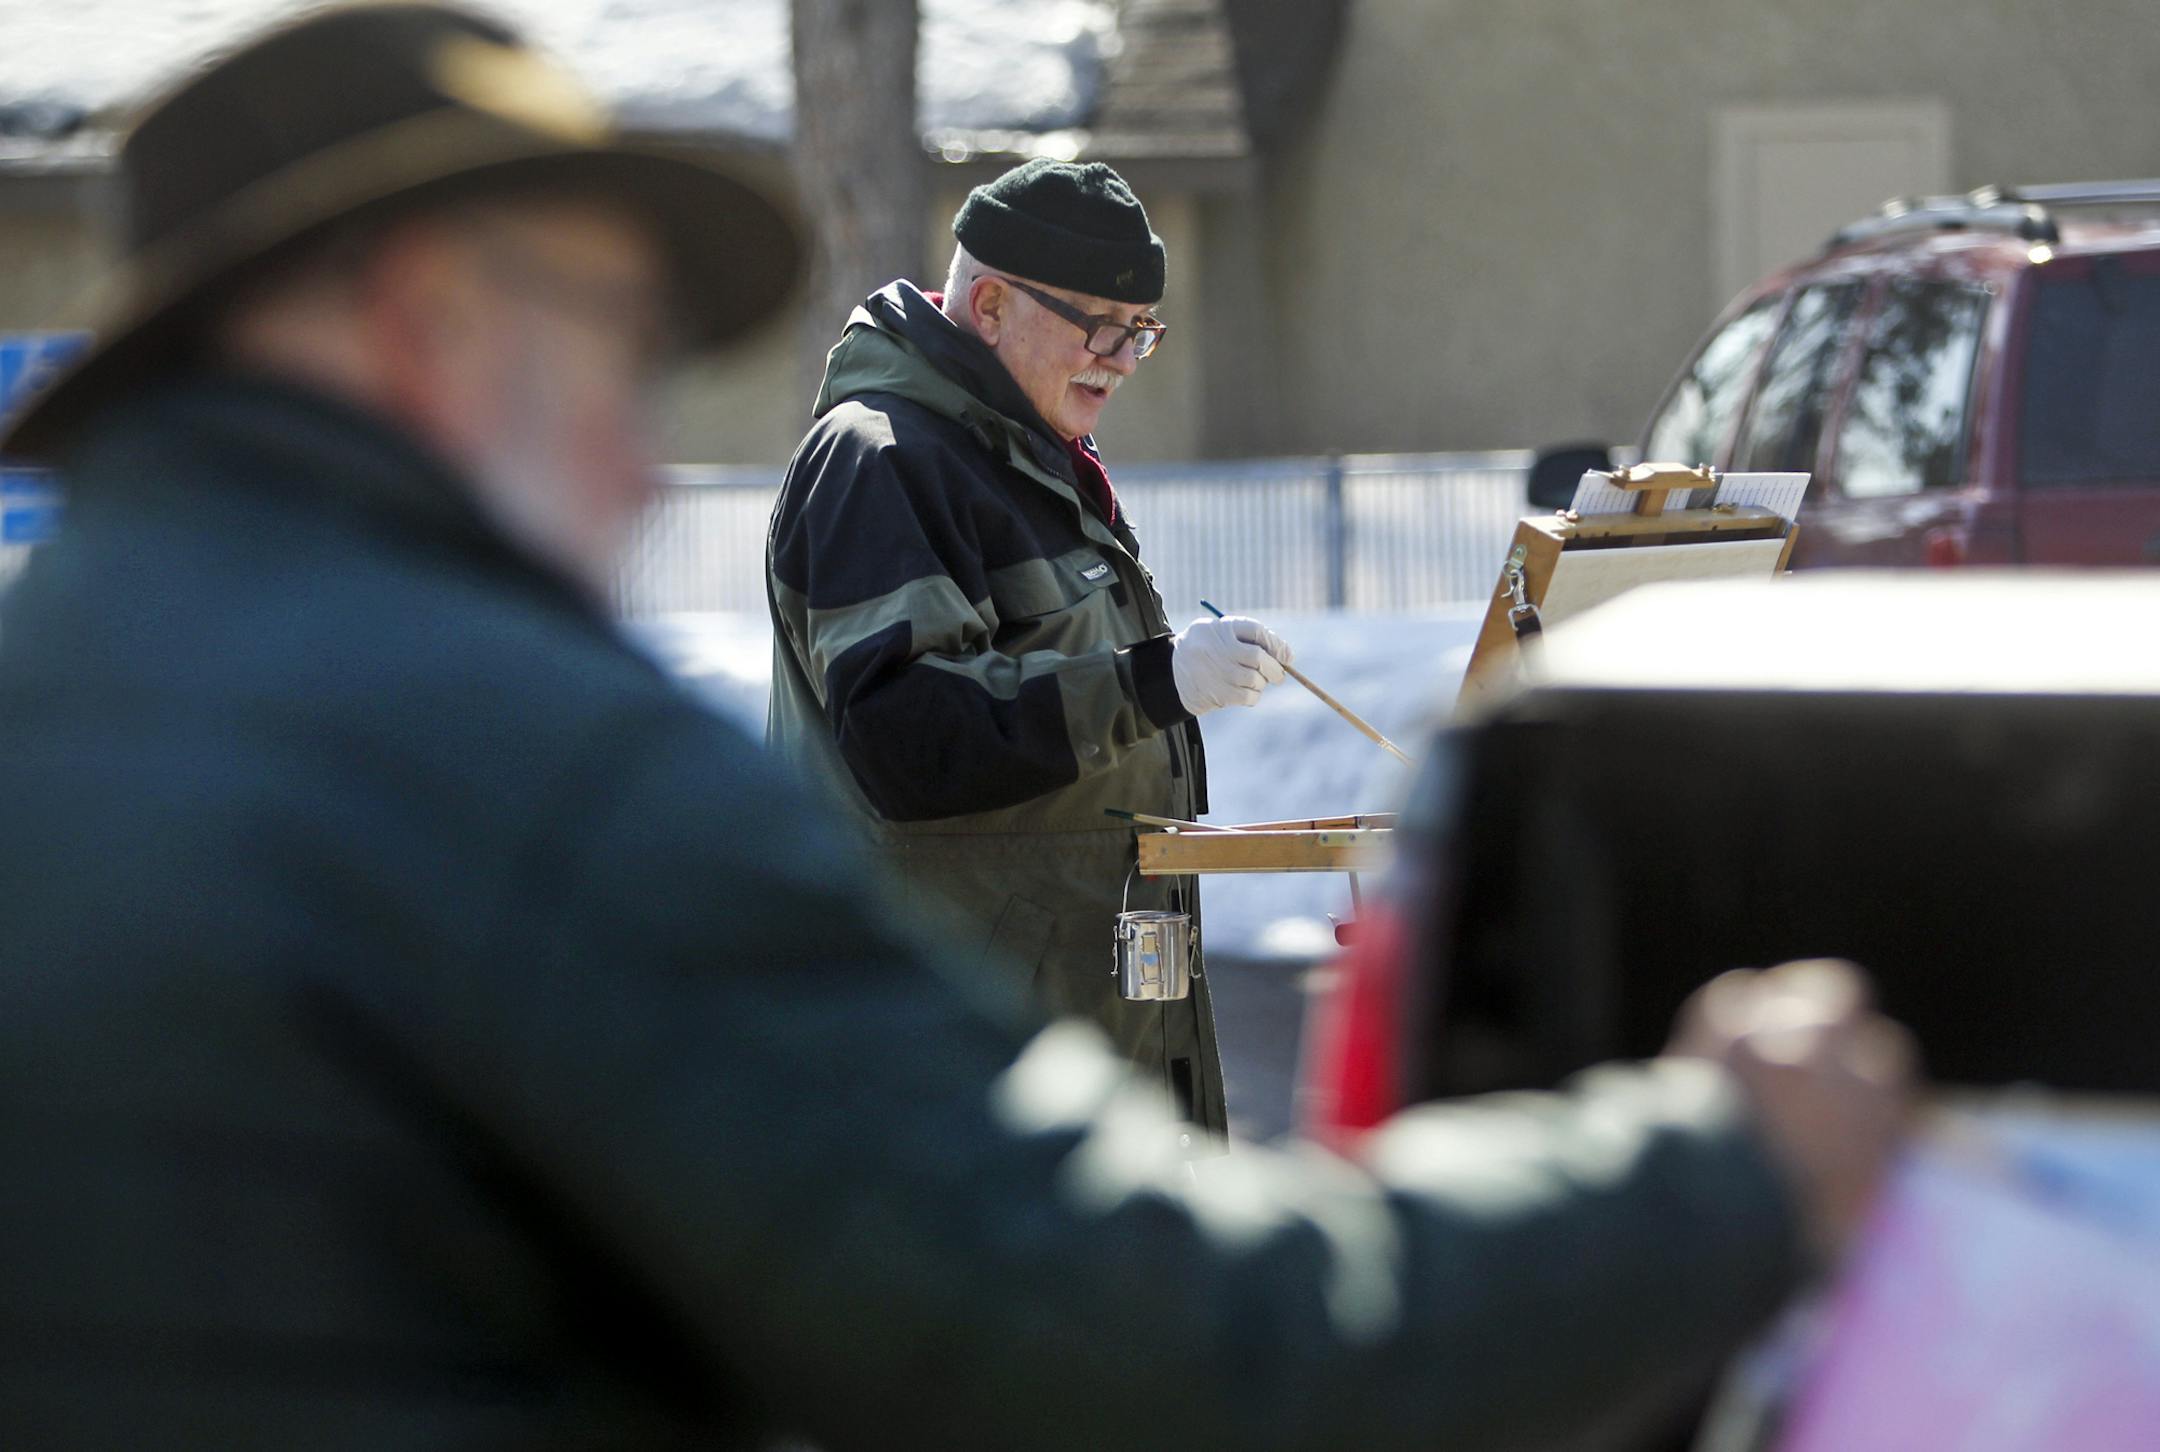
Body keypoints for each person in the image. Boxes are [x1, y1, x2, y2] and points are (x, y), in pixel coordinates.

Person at [0, 6, 1915, 1449]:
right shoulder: (512, 756)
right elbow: (1131, 1327)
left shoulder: (68, 689)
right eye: (612, 341)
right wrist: (1709, 1174)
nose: (635, 443)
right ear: (422, 321)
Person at [766, 159, 1296, 1140]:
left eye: (1141, 330)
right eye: (1101, 324)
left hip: (1091, 1033)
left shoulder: (1026, 460)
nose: (1125, 358)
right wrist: (1152, 681)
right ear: (993, 303)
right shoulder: (880, 458)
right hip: (967, 1063)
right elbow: (904, 736)